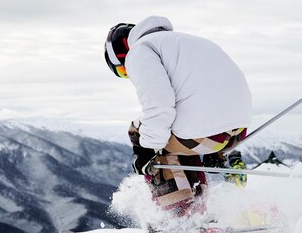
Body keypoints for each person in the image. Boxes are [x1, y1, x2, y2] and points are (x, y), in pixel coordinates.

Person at [104, 15, 252, 216]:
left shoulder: (140, 52)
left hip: (208, 135)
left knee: (144, 133)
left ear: (122, 55)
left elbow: (159, 106)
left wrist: (146, 152)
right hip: (237, 131)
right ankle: (198, 212)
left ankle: (178, 216)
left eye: (123, 71)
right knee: (166, 132)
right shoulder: (186, 43)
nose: (128, 74)